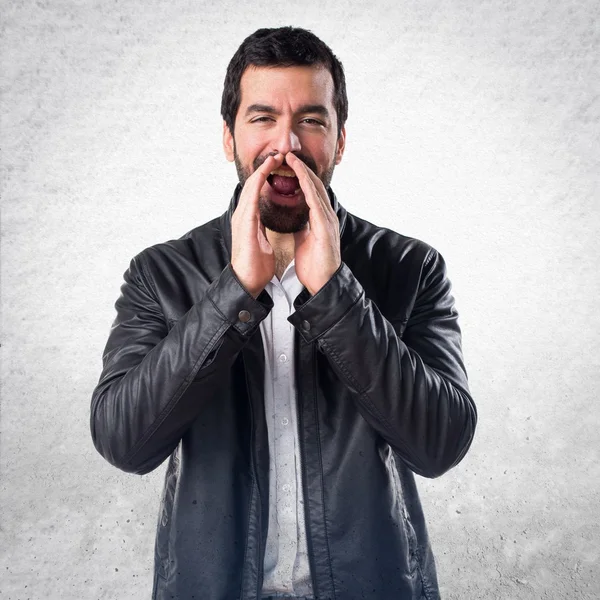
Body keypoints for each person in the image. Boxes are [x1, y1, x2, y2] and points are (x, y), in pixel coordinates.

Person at [90, 26, 477, 600]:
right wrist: (235, 292)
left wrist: (335, 292)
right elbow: (124, 442)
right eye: (262, 118)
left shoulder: (411, 267)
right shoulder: (161, 273)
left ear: (340, 140)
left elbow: (441, 444)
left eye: (312, 121)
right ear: (229, 137)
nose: (287, 145)